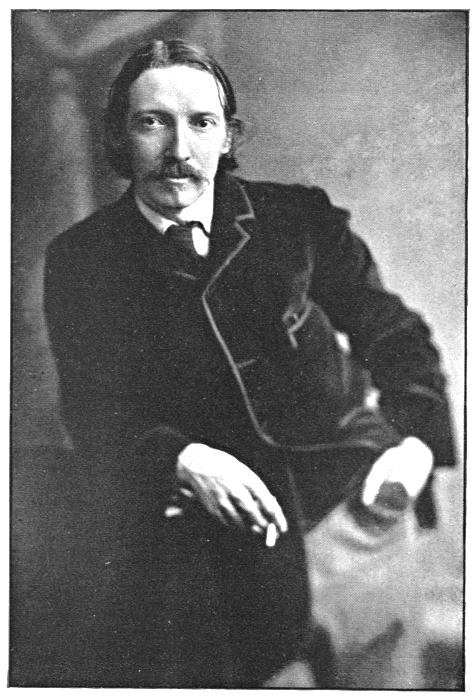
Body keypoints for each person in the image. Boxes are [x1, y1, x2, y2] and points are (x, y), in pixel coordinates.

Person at [44, 38, 456, 688]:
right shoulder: (83, 259)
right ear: (119, 137)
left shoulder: (294, 218)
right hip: (218, 555)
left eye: (201, 122)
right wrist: (183, 459)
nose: (179, 150)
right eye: (152, 122)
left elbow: (393, 331)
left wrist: (415, 444)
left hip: (355, 513)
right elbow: (95, 411)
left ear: (227, 136)